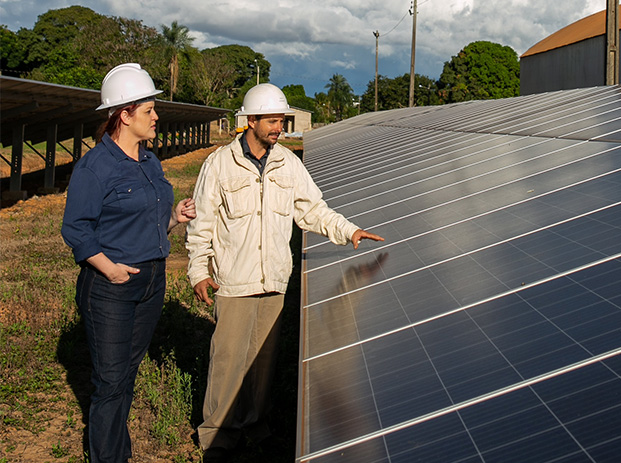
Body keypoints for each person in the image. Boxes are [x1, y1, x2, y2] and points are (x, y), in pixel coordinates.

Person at [186, 83, 383, 458]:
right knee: (228, 361)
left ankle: (254, 426)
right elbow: (201, 225)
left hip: (274, 281)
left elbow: (313, 210)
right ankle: (217, 437)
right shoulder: (220, 164)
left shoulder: (288, 164)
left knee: (262, 363)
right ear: (251, 121)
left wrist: (349, 231)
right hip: (234, 281)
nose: (279, 128)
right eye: (272, 121)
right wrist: (198, 271)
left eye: (282, 121)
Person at [61, 63, 196, 463]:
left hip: (151, 281)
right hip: (111, 288)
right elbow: (76, 228)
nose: (156, 117)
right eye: (149, 111)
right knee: (110, 381)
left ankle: (116, 451)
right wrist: (110, 269)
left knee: (126, 373)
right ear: (124, 114)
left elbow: (147, 219)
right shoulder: (95, 167)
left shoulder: (149, 161)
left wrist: (174, 217)